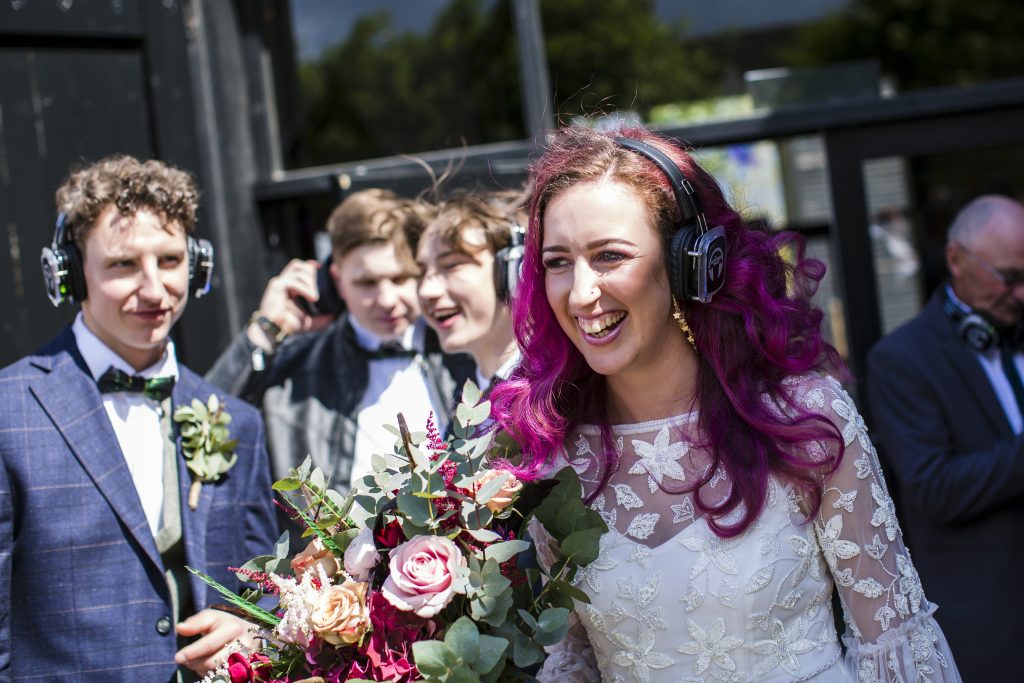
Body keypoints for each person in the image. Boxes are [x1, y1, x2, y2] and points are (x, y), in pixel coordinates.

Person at [490, 124, 962, 682]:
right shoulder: (554, 458)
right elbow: (575, 659)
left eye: (610, 256)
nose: (582, 292)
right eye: (558, 262)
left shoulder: (805, 420)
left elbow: (892, 644)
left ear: (693, 262)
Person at [0, 155, 278, 680]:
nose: (154, 290)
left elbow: (263, 588)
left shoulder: (236, 419)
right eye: (123, 264)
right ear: (68, 272)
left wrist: (253, 626)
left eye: (170, 260)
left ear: (198, 266)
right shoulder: (8, 412)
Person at [206, 189, 474, 493]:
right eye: (367, 283)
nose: (387, 300)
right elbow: (201, 431)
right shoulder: (295, 367)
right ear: (336, 281)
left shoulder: (466, 351)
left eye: (400, 279)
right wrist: (265, 332)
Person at [866, 195, 1024, 681]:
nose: (1022, 294)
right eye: (1010, 277)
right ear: (955, 259)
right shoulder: (902, 360)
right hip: (996, 631)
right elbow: (934, 488)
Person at [413, 189, 523, 396]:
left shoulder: (563, 401)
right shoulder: (462, 404)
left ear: (516, 270)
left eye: (452, 265)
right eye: (421, 272)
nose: (426, 291)